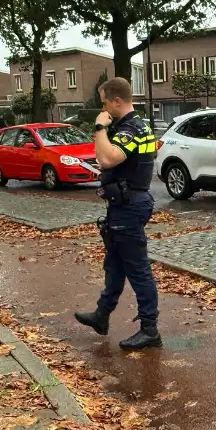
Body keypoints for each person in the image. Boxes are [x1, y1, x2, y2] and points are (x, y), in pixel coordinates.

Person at [73, 77, 161, 349]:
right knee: (115, 263)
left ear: (117, 101)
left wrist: (100, 126)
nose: (104, 109)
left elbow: (109, 158)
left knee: (137, 269)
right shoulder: (138, 125)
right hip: (126, 202)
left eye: (105, 104)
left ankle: (150, 330)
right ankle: (102, 315)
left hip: (129, 206)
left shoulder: (131, 128)